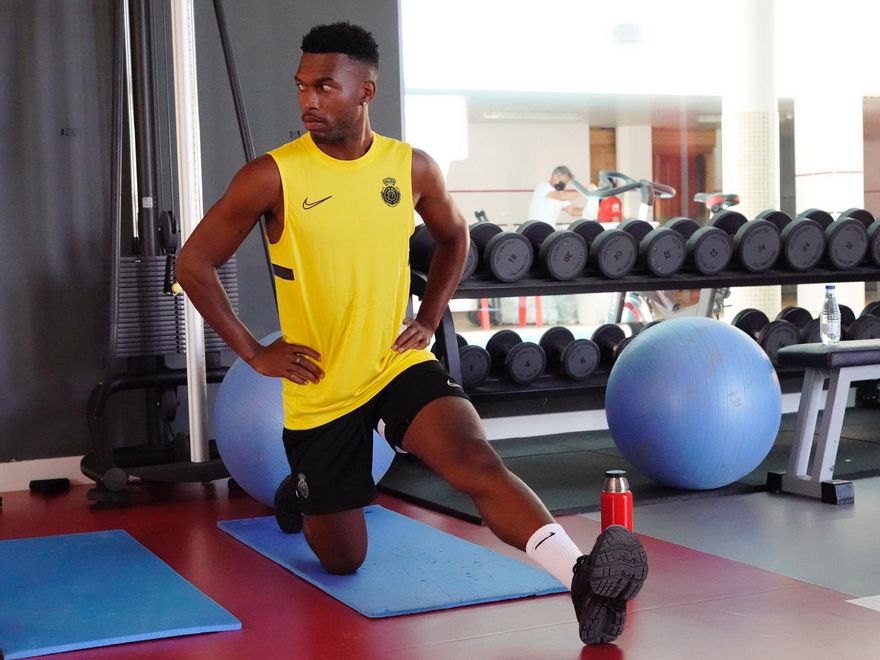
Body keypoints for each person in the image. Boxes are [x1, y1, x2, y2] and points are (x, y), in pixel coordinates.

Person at [175, 22, 647, 646]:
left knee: (474, 459)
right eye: (301, 87)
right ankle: (303, 494)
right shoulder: (273, 177)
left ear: (365, 90)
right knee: (345, 559)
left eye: (325, 86)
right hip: (321, 388)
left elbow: (455, 238)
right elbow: (192, 263)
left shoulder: (410, 167)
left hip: (394, 363)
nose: (309, 100)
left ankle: (580, 577)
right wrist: (255, 352)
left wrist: (427, 316)